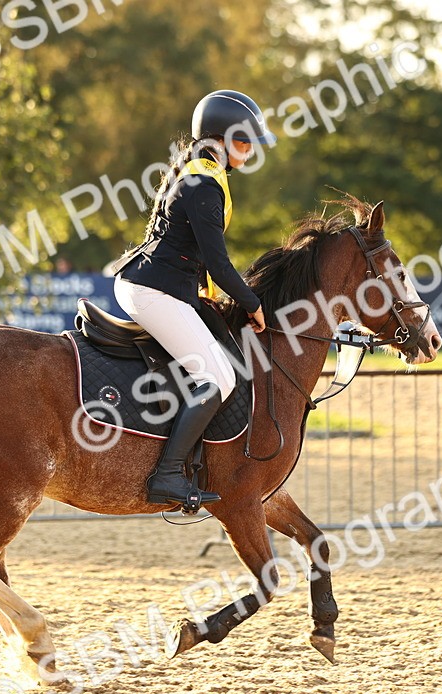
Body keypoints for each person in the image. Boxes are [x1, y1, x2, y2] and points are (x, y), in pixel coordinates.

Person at [113, 89, 275, 508]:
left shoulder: (202, 173)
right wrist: (253, 304)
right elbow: (220, 265)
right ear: (220, 139)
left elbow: (201, 259)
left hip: (162, 286)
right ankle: (166, 475)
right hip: (153, 291)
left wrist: (212, 299)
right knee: (219, 377)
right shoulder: (203, 182)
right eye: (244, 141)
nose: (250, 150)